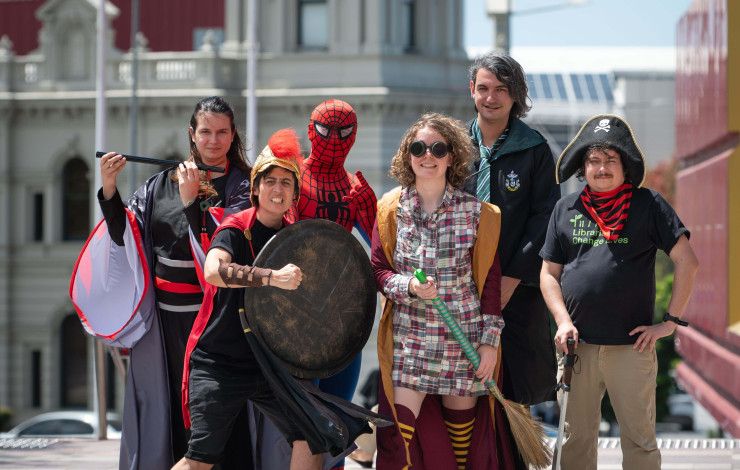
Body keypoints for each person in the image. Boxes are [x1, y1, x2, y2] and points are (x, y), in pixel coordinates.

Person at [70, 96, 252, 469]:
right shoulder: (158, 185)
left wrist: (191, 203)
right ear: (192, 133)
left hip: (218, 323)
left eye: (222, 132)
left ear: (234, 136)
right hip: (164, 323)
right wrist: (109, 188)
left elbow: (232, 239)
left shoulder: (244, 187)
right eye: (205, 132)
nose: (213, 141)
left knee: (215, 408)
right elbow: (126, 235)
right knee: (168, 410)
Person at [539, 114, 699, 470]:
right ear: (583, 167)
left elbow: (688, 262)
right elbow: (548, 274)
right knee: (573, 443)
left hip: (632, 348)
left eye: (611, 160)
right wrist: (562, 321)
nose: (602, 168)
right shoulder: (565, 209)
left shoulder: (649, 205)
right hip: (576, 347)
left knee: (640, 442)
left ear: (626, 166)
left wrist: (669, 323)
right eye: (594, 160)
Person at [372, 113, 517, 469]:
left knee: (461, 447)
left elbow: (491, 283)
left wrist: (489, 343)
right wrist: (408, 286)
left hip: (462, 338)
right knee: (396, 440)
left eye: (439, 148)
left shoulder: (478, 212)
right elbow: (378, 270)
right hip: (410, 340)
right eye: (419, 147)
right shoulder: (390, 208)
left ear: (452, 157)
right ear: (408, 155)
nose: (428, 155)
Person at [175, 128, 325, 470]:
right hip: (220, 360)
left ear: (294, 193)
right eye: (270, 181)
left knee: (313, 435)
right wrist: (271, 278)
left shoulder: (295, 236)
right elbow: (214, 271)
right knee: (200, 460)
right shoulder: (235, 227)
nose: (278, 189)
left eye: (287, 183)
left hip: (269, 362)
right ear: (256, 187)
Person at [464, 53, 560, 406]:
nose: (491, 98)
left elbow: (544, 218)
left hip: (517, 288)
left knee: (514, 388)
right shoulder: (453, 146)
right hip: (461, 286)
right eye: (484, 88)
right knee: (462, 387)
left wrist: (512, 277)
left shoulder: (535, 149)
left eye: (501, 89)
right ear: (471, 90)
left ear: (516, 95)